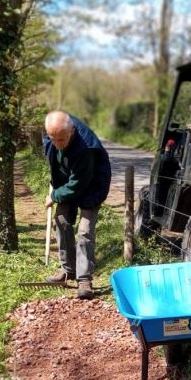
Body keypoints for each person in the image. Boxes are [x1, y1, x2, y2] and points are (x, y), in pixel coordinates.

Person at [43, 110, 112, 300]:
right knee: (61, 220)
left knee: (84, 230)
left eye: (61, 140)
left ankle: (84, 279)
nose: (57, 144)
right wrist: (55, 184)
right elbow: (53, 159)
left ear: (71, 131)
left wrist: (55, 195)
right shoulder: (52, 134)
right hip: (68, 181)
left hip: (91, 185)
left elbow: (78, 184)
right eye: (53, 139)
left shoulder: (85, 149)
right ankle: (68, 270)